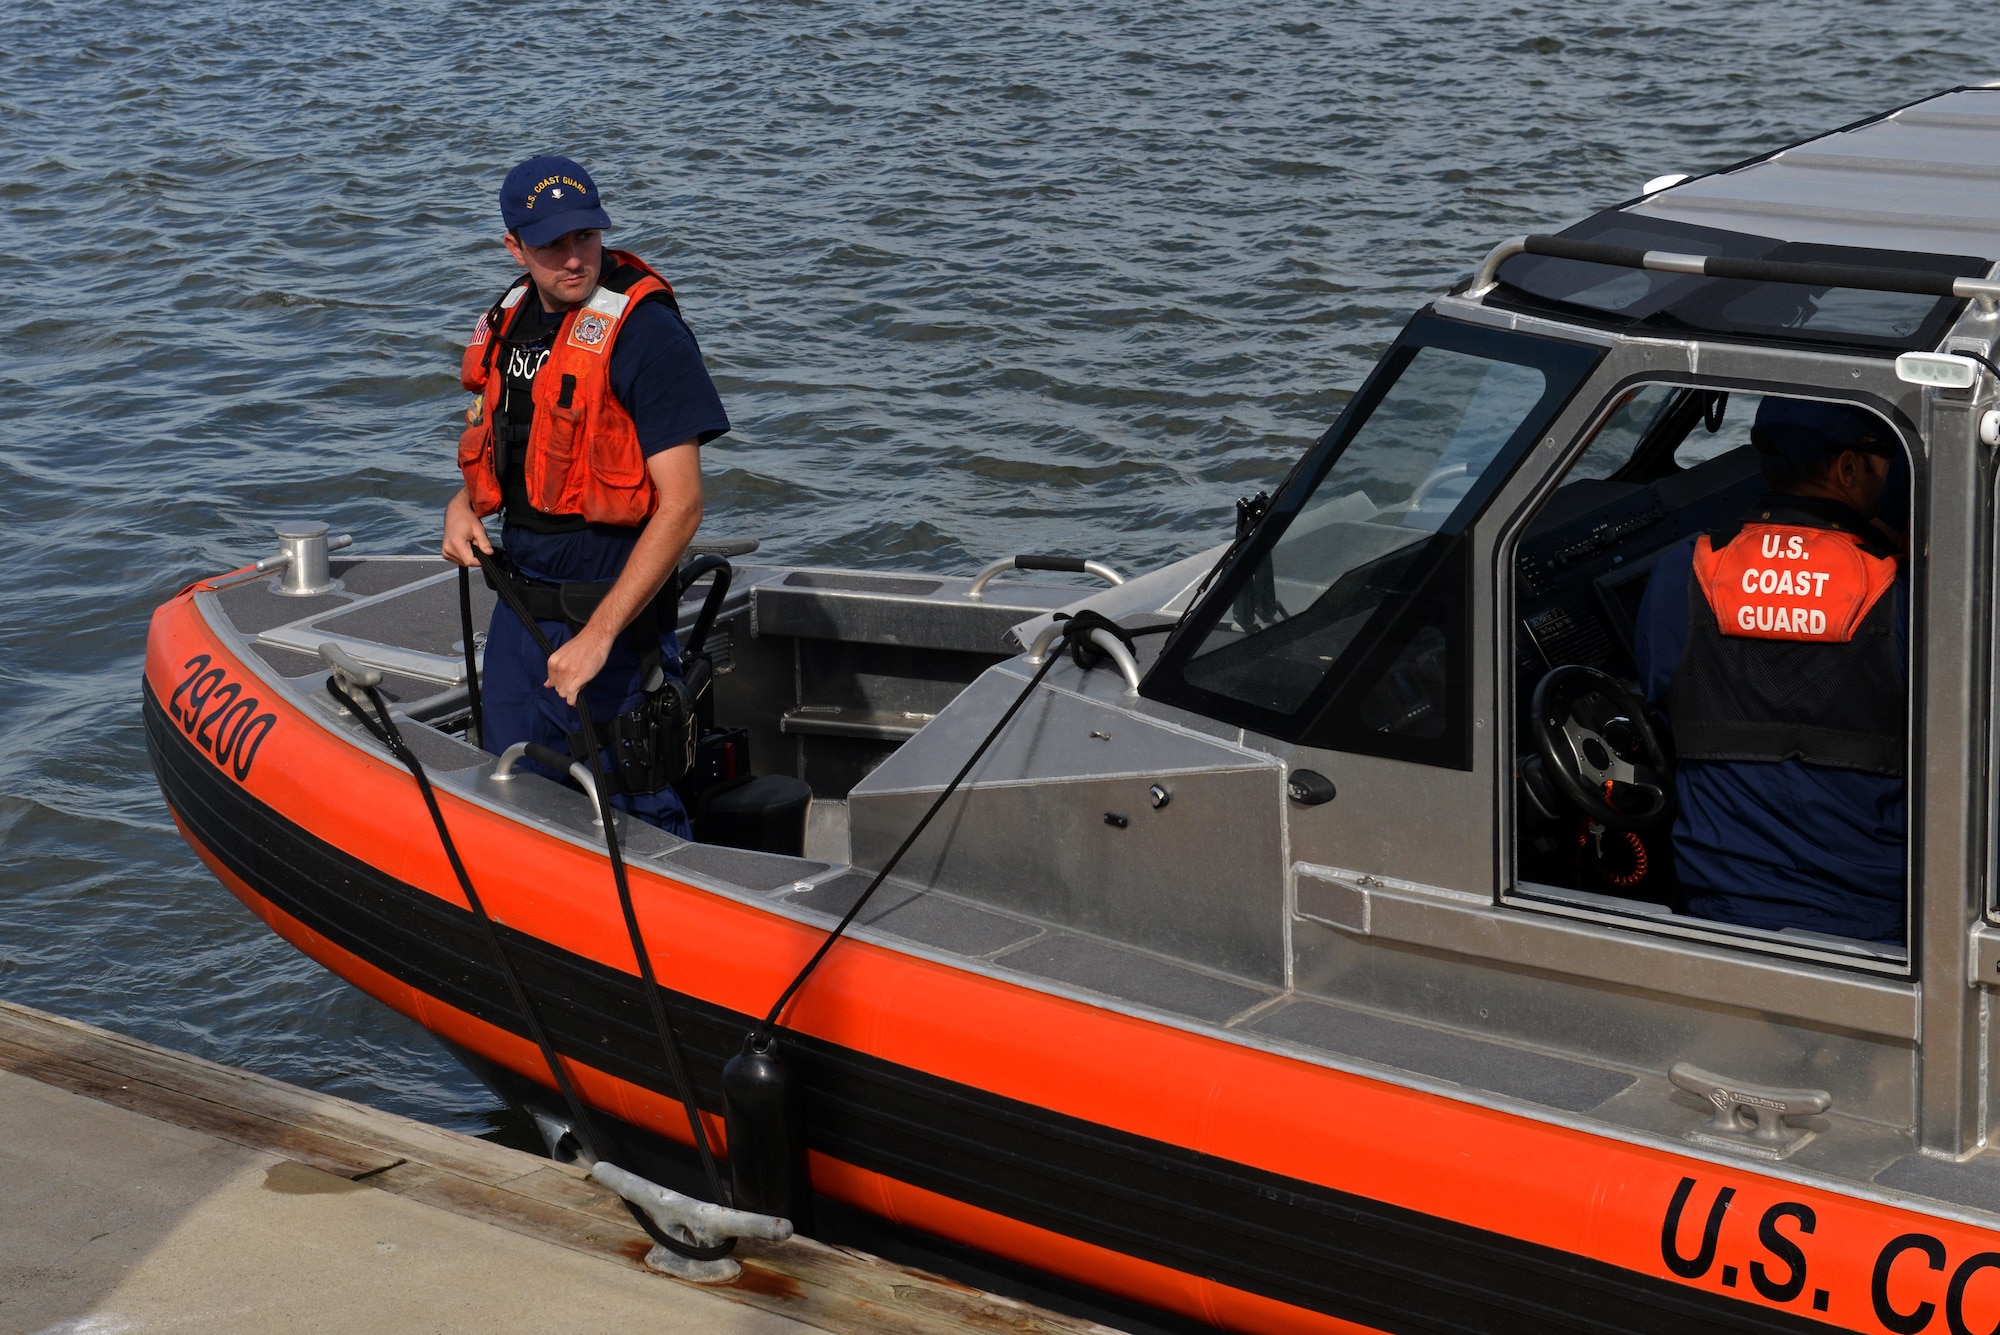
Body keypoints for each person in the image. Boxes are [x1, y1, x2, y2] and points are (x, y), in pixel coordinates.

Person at [441, 155, 729, 838]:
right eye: (552, 245)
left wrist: (600, 637)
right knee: (512, 786)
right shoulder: (512, 321)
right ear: (514, 246)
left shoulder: (646, 335)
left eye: (586, 238)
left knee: (632, 800)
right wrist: (462, 505)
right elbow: (504, 445)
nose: (575, 259)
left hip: (613, 623)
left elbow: (683, 504)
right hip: (520, 615)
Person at [1633, 397, 1907, 944]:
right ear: (1847, 469)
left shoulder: (1683, 572)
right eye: (1886, 456)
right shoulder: (1900, 592)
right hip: (1879, 924)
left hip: (1720, 912)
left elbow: (1658, 698)